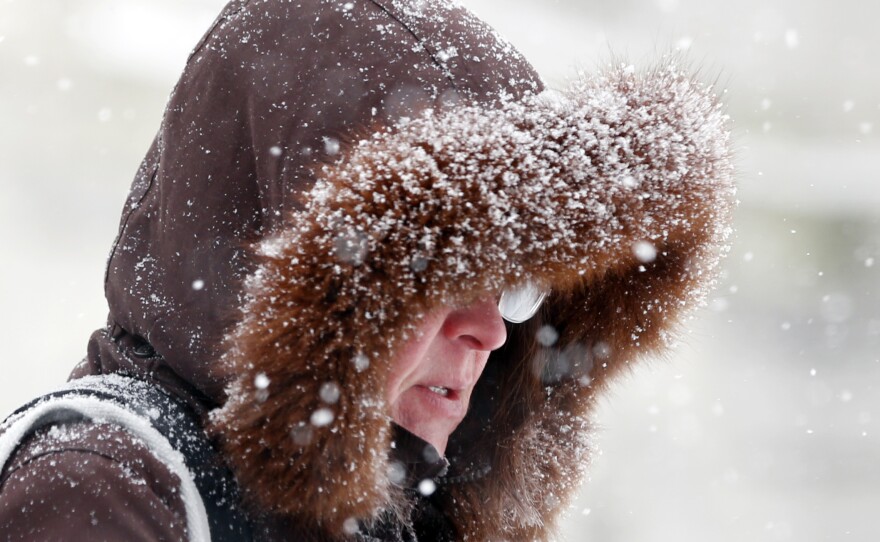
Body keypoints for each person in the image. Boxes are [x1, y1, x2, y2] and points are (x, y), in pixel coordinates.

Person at [0, 0, 735, 540]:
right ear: (303, 294)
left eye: (513, 283)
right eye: (440, 277)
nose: (488, 331)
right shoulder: (105, 487)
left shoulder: (412, 513)